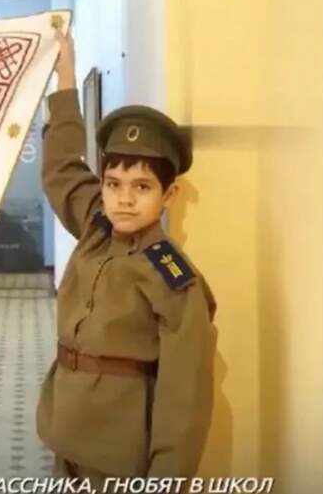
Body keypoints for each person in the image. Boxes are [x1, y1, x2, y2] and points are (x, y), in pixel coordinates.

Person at [36, 30, 218, 490]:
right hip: (66, 439)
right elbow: (61, 168)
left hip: (119, 458)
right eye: (113, 184)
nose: (124, 199)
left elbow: (185, 395)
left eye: (142, 187)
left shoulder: (171, 276)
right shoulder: (96, 228)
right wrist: (65, 75)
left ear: (168, 195)